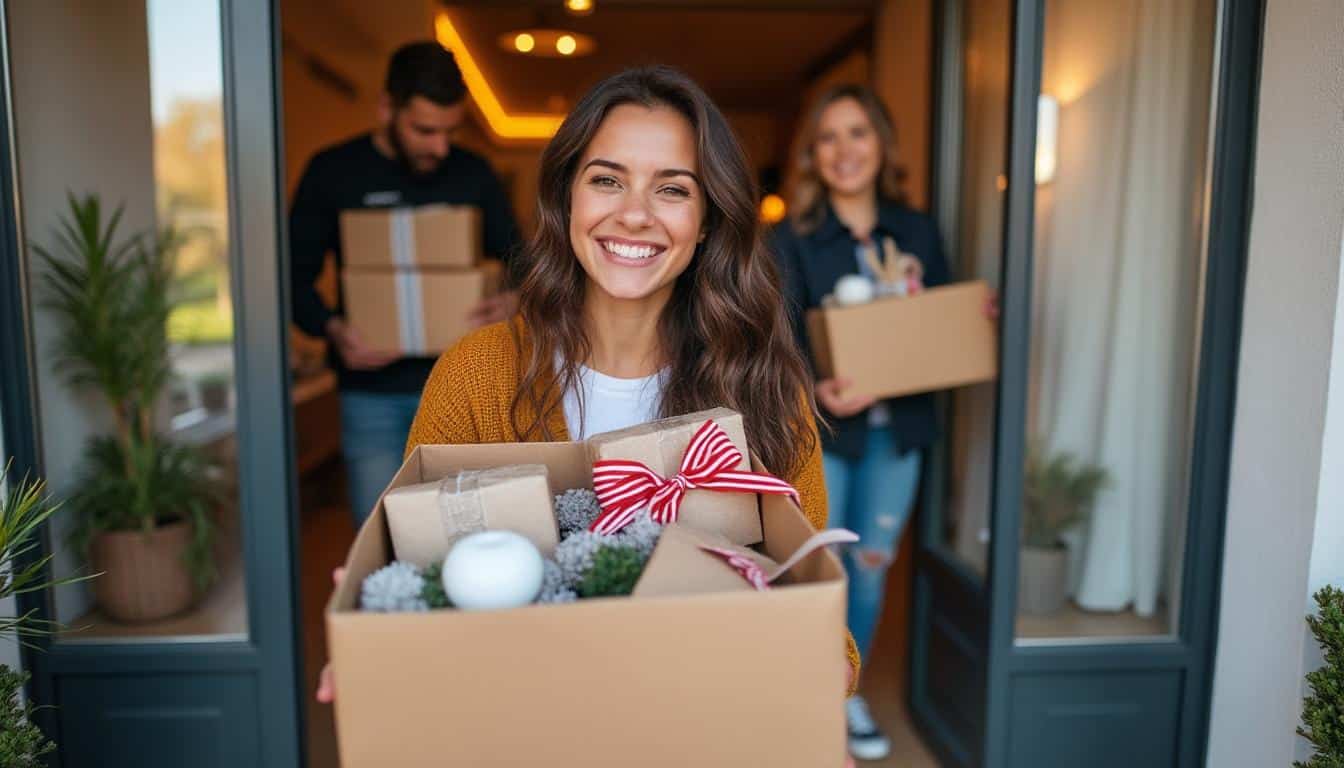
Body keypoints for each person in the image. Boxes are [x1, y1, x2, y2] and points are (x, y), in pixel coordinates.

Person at [318, 67, 862, 751]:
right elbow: (420, 576)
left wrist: (816, 690)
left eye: (672, 189)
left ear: (706, 222)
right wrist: (377, 640)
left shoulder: (766, 391)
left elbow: (816, 614)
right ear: (566, 198)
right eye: (607, 180)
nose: (634, 214)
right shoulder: (476, 375)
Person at [771, 83, 949, 762]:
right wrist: (812, 390)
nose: (844, 150)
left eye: (858, 133)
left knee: (871, 568)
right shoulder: (790, 239)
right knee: (822, 568)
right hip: (824, 431)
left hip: (896, 432)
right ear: (812, 155)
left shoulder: (917, 231)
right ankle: (805, 700)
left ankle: (846, 692)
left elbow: (941, 322)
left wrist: (973, 318)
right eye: (829, 137)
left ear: (881, 144)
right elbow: (773, 342)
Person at [289, 42, 521, 523]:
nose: (440, 147)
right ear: (386, 108)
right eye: (424, 130)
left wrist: (513, 300)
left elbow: (524, 263)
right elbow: (291, 278)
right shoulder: (333, 172)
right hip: (372, 395)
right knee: (381, 531)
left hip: (461, 384)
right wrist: (333, 329)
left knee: (461, 529)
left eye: (450, 131)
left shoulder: (474, 174)